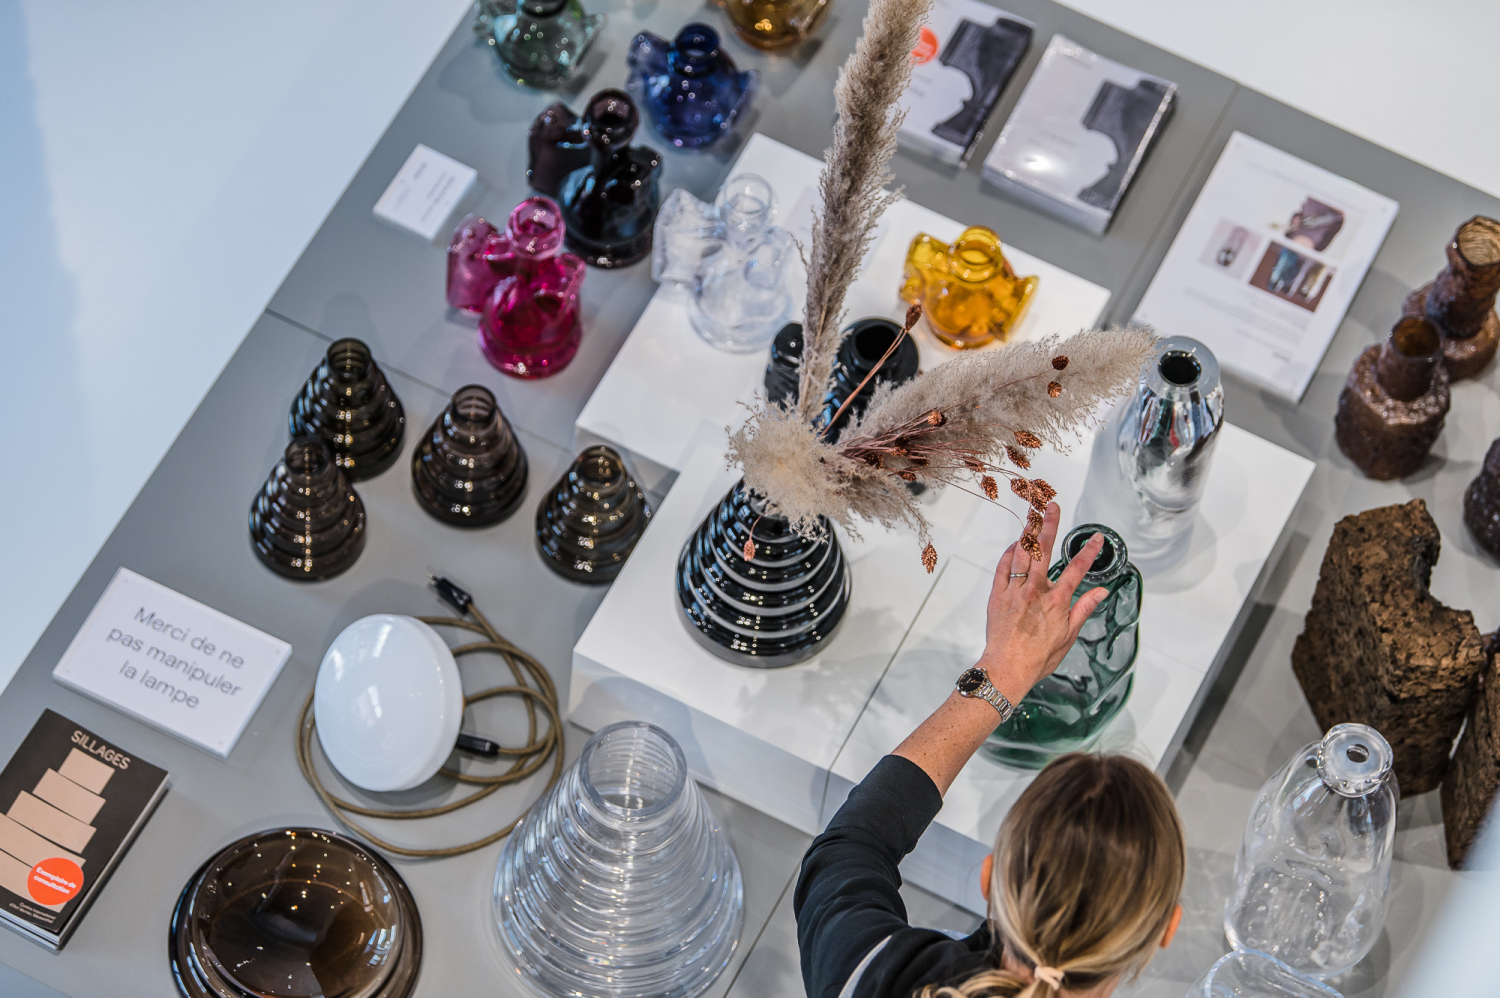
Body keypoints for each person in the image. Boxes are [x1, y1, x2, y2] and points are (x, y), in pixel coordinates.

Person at [795, 503, 1186, 998]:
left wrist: (1001, 672)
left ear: (988, 878)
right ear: (1167, 931)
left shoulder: (878, 977)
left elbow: (845, 857)